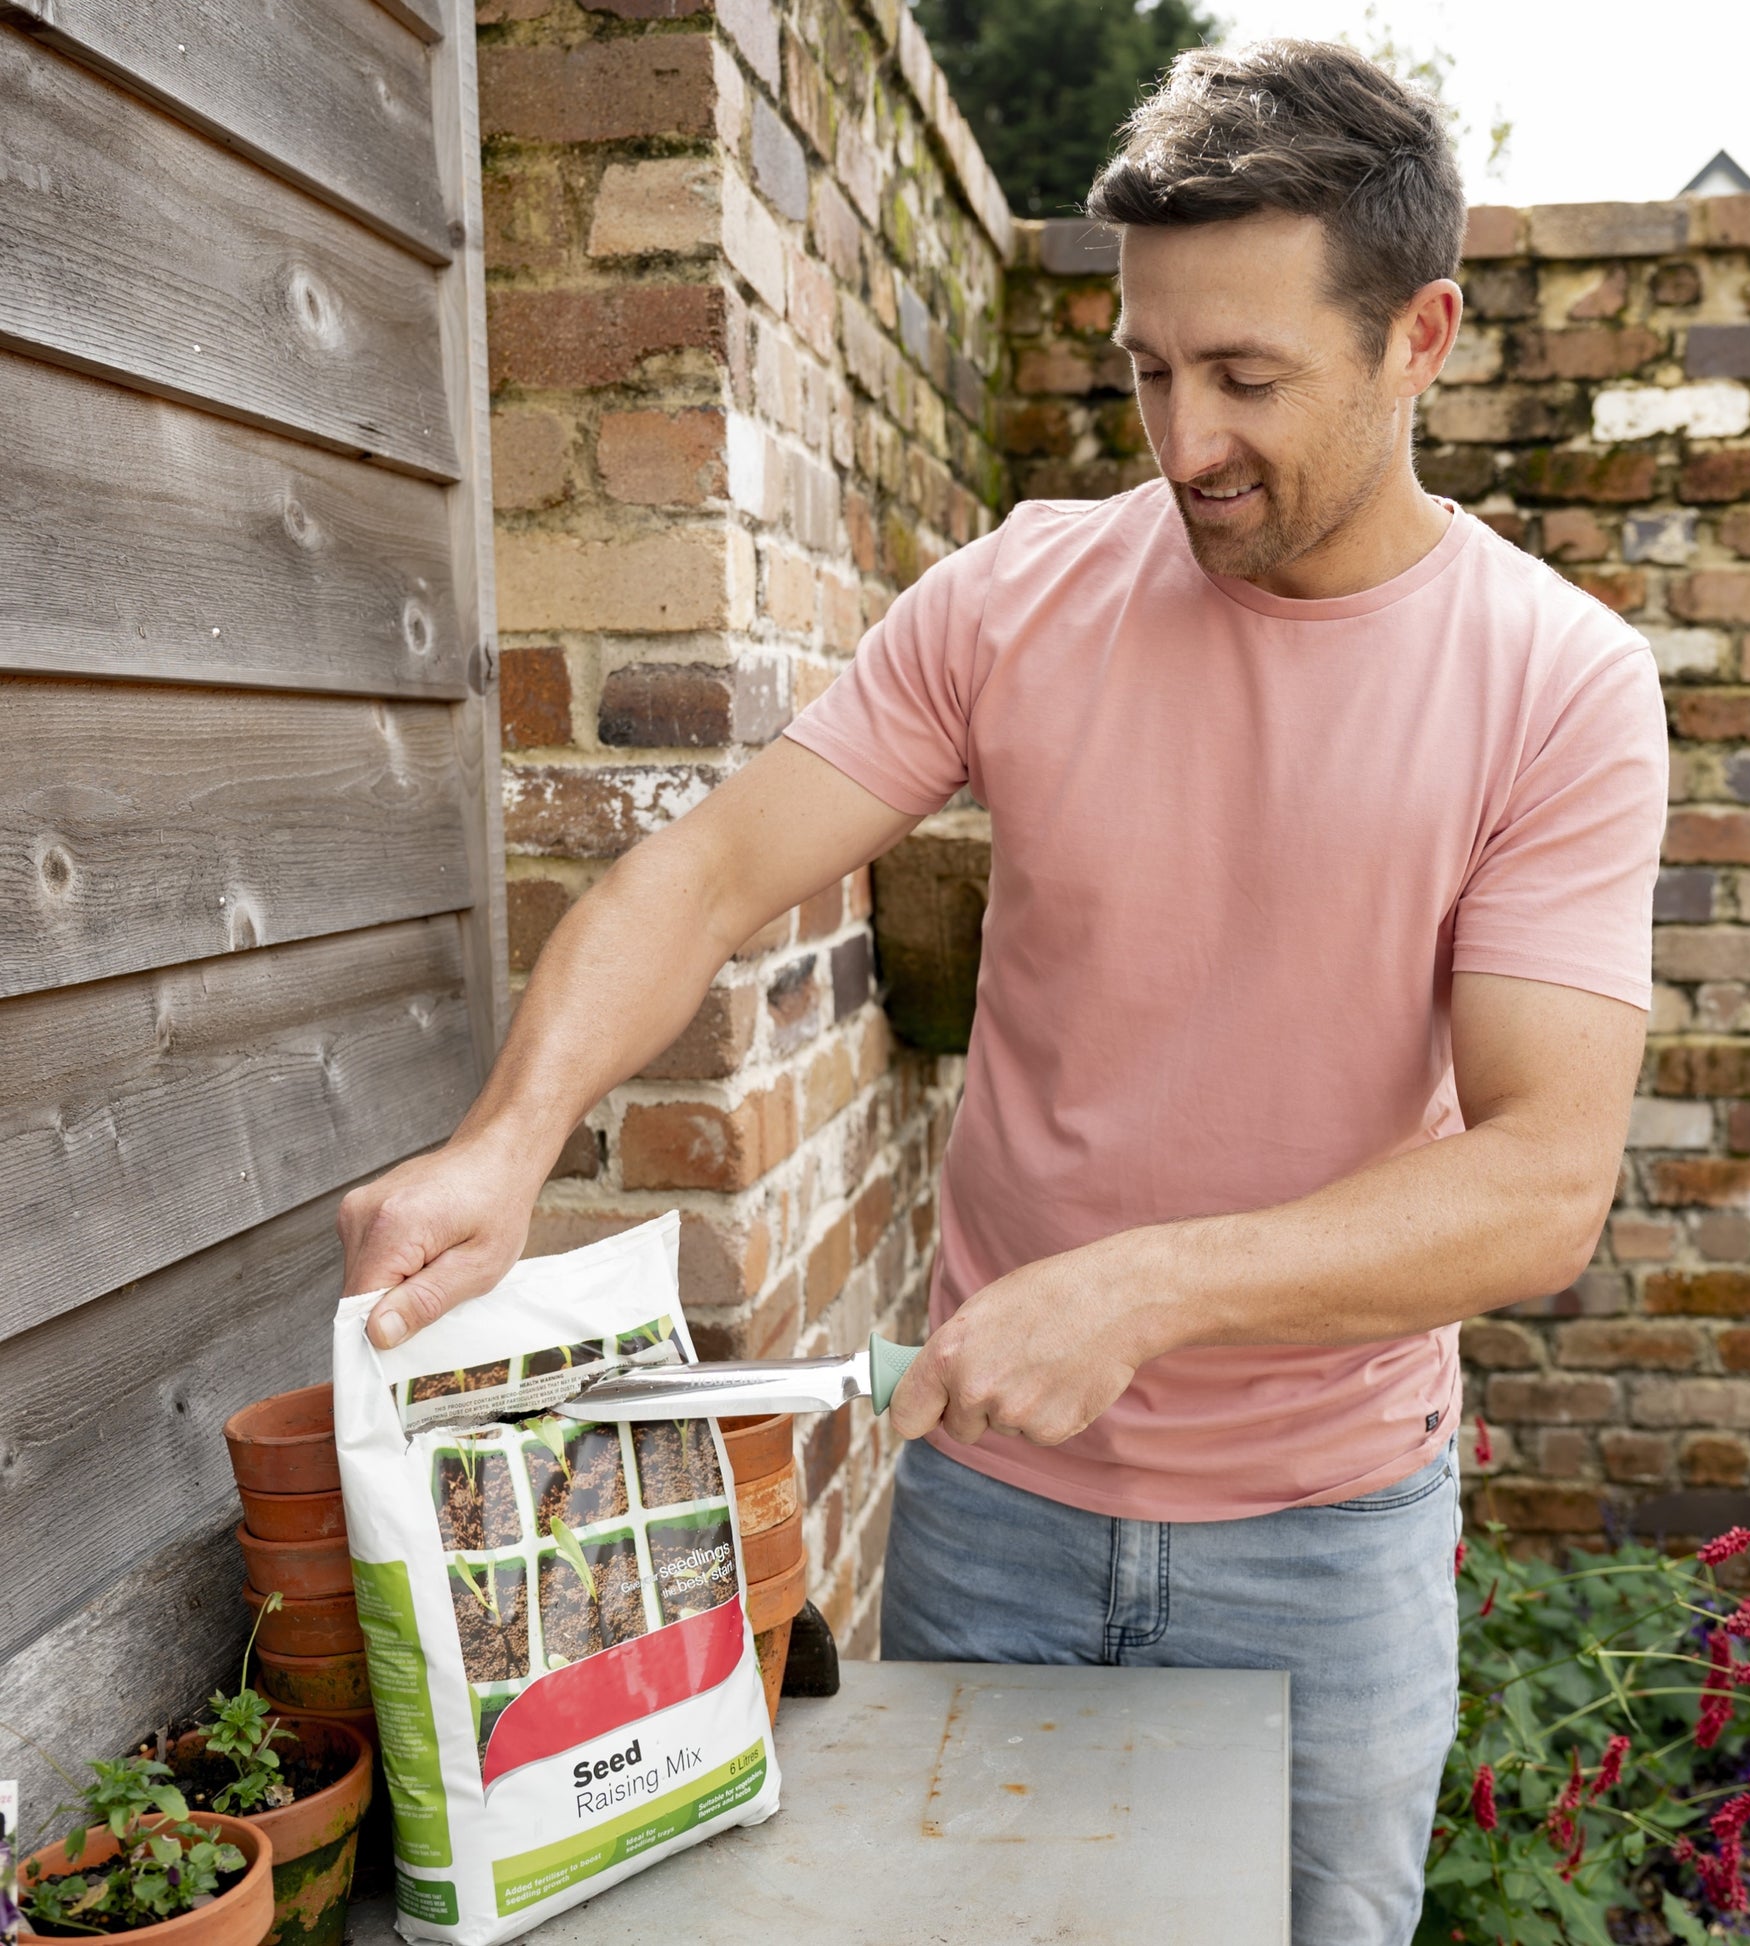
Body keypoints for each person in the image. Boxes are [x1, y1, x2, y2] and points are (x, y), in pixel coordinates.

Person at [339, 37, 1666, 1943]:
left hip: (1326, 1549)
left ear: (1421, 336)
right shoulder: (1016, 597)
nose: (1181, 439)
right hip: (994, 1514)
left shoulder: (1557, 683)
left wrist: (1146, 1285)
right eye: (1145, 369)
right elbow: (707, 869)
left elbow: (1544, 1178)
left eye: (1245, 377)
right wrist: (506, 1139)